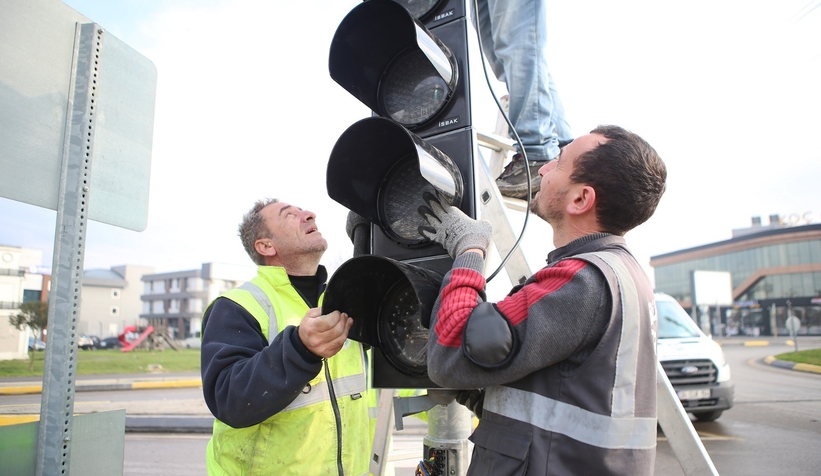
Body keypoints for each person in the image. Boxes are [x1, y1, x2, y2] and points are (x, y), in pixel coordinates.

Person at [418, 125, 667, 475]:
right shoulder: (621, 274)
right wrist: (493, 396)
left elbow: (451, 352)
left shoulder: (581, 280)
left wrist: (469, 249)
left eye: (558, 163)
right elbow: (571, 388)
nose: (543, 169)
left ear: (580, 199)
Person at [200, 198, 370, 476]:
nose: (309, 214)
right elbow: (230, 399)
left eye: (304, 211)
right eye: (289, 215)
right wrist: (299, 349)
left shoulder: (345, 302)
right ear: (266, 246)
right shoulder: (237, 306)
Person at [472, 0, 574, 200]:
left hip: (536, 147)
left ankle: (537, 154)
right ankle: (564, 152)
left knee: (517, 43)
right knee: (499, 53)